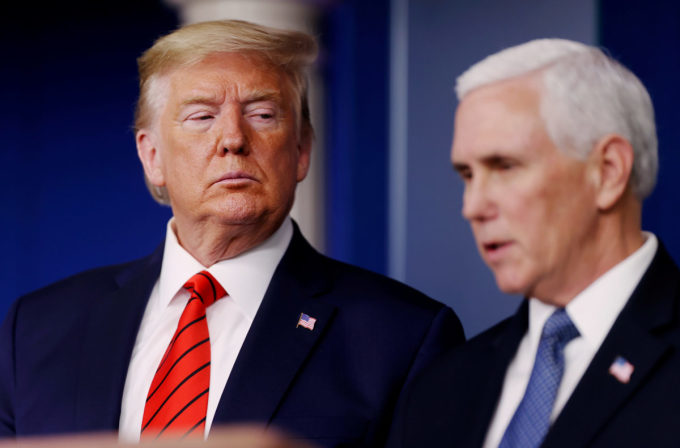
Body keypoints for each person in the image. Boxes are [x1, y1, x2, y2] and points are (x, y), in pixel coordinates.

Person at [0, 20, 464, 447]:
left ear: (302, 150)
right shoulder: (36, 328)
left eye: (262, 114)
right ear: (152, 156)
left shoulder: (405, 337)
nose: (233, 139)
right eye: (201, 116)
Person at [388, 38, 680, 447]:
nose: (472, 207)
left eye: (505, 166)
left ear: (608, 171)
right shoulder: (440, 389)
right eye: (467, 175)